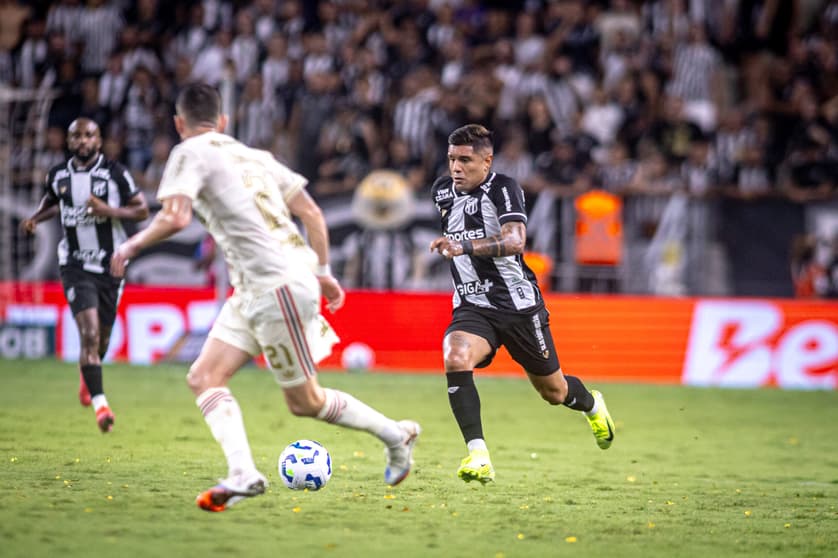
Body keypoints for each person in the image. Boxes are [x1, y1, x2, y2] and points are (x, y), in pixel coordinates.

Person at [110, 83, 420, 512]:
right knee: (204, 376)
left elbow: (176, 216)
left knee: (305, 402)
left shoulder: (188, 152)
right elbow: (312, 213)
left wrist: (129, 246)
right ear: (223, 121)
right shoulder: (257, 157)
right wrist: (323, 274)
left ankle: (395, 435)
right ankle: (242, 473)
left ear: (180, 124)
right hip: (257, 286)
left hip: (275, 286)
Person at [428, 124, 615, 484]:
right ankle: (478, 456)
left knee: (554, 392)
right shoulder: (441, 191)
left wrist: (463, 246)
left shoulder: (503, 188)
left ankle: (592, 405)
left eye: (465, 160)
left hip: (518, 307)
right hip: (472, 304)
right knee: (455, 355)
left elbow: (515, 241)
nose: (456, 168)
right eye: (451, 159)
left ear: (487, 161)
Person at [20, 117, 149, 433]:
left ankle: (88, 377)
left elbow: (142, 210)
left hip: (110, 265)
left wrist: (109, 211)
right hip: (75, 265)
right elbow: (53, 202)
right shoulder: (58, 174)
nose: (82, 141)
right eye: (76, 136)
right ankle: (101, 407)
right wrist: (36, 217)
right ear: (69, 141)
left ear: (99, 140)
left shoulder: (115, 174)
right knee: (89, 335)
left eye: (88, 135)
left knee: (101, 340)